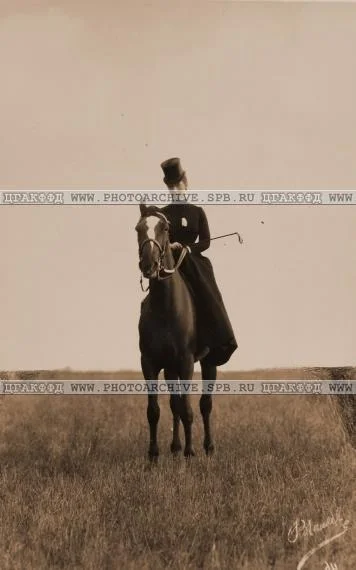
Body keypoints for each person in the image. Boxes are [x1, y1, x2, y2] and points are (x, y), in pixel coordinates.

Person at [160, 157, 238, 378]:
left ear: (186, 183)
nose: (175, 190)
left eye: (178, 185)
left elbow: (206, 242)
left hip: (193, 262)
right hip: (170, 263)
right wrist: (169, 246)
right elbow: (157, 238)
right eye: (171, 187)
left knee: (208, 293)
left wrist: (187, 248)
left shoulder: (197, 211)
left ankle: (216, 335)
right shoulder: (162, 213)